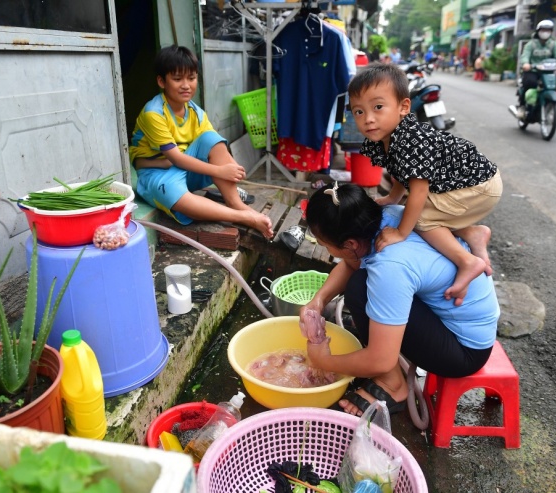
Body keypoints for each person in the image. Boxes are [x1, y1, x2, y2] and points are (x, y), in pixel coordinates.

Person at [300, 182, 499, 415]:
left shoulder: (389, 268)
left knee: (360, 288)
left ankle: (392, 385)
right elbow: (352, 262)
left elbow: (381, 360)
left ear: (350, 243)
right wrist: (319, 300)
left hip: (464, 351)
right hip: (463, 319)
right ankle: (390, 374)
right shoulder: (389, 219)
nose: (326, 250)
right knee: (362, 280)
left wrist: (322, 361)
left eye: (325, 245)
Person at [349, 63, 503, 305]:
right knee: (419, 212)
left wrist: (401, 232)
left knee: (420, 219)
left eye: (378, 107)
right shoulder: (387, 136)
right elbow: (401, 172)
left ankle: (467, 261)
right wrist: (393, 198)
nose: (368, 119)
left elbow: (419, 191)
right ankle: (473, 233)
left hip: (478, 187)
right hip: (468, 183)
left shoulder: (411, 140)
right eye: (358, 111)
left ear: (403, 107)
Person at [129, 45, 274, 239]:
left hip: (181, 168)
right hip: (155, 175)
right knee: (173, 193)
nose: (186, 85)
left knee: (210, 138)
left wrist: (229, 166)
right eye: (177, 79)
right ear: (162, 81)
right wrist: (221, 171)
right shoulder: (154, 113)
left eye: (191, 78)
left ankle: (235, 203)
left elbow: (213, 147)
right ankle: (242, 216)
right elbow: (177, 160)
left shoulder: (195, 112)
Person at [515, 20, 556, 119]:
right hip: (533, 71)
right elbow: (525, 56)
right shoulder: (531, 44)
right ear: (538, 31)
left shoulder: (553, 44)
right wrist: (525, 63)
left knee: (553, 86)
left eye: (548, 30)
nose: (545, 32)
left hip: (548, 72)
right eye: (543, 30)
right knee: (529, 83)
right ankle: (522, 107)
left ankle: (547, 105)